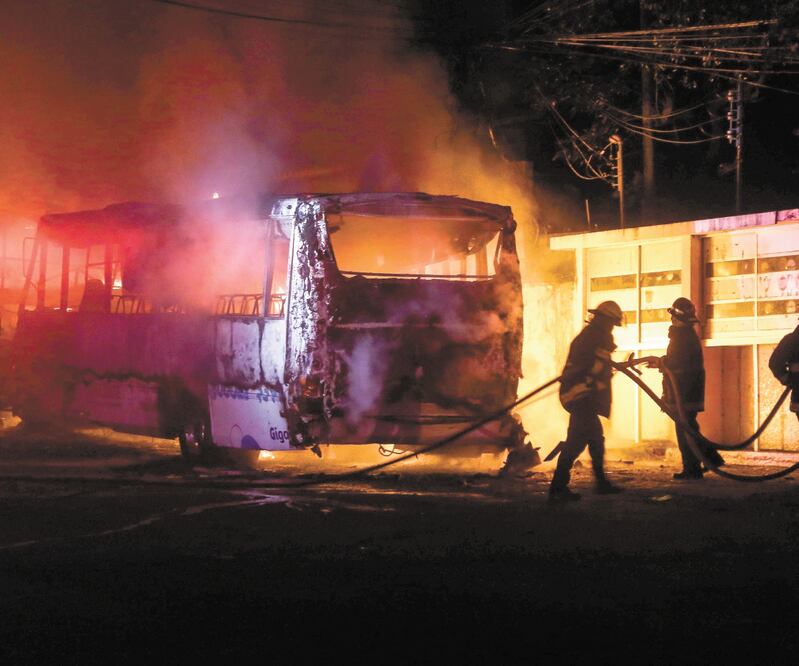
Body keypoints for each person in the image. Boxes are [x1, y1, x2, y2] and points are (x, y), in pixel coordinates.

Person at [549, 300, 624, 501]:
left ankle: (572, 485)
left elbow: (597, 367)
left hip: (582, 395)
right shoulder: (595, 338)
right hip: (580, 395)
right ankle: (562, 487)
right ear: (604, 320)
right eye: (611, 323)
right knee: (581, 442)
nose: (612, 328)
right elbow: (595, 368)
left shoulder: (593, 336)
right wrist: (604, 371)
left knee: (588, 439)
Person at [656, 297, 723, 480]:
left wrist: (662, 362)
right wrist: (662, 362)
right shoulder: (685, 336)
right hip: (686, 392)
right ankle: (707, 460)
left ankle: (694, 467)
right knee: (689, 428)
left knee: (686, 431)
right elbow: (678, 362)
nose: (671, 320)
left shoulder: (682, 337)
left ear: (677, 318)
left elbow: (677, 363)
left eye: (673, 317)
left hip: (684, 393)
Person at [768, 320, 799, 420]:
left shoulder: (791, 340)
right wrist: (791, 380)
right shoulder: (792, 341)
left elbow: (775, 364)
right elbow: (775, 364)